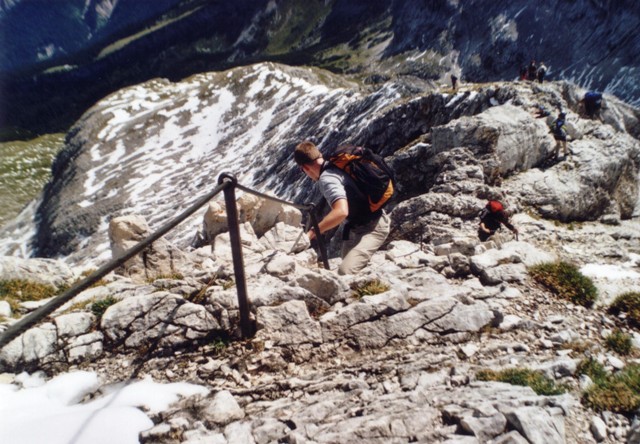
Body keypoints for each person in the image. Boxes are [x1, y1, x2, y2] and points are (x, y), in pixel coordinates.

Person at [294, 141, 391, 275]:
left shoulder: (327, 179)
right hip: (360, 226)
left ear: (304, 168)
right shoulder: (336, 163)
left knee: (345, 272)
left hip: (373, 229)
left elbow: (341, 212)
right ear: (319, 155)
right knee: (348, 269)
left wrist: (312, 233)